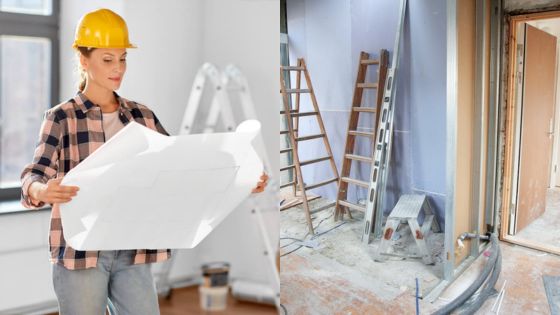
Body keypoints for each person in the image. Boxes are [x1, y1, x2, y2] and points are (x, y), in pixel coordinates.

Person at [20, 8, 268, 315]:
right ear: (84, 61)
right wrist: (41, 191)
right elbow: (33, 175)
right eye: (107, 59)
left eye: (122, 58)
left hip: (132, 248)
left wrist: (241, 180)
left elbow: (181, 168)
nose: (118, 69)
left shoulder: (142, 116)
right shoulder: (61, 117)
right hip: (80, 252)